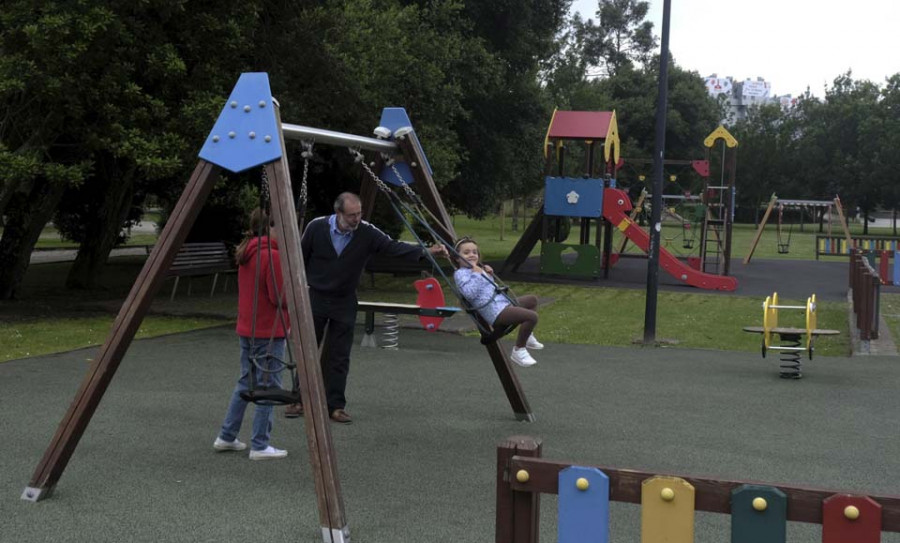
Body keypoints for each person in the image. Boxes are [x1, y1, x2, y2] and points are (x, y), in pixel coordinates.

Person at [285, 192, 448, 423]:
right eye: (351, 215)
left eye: (359, 214)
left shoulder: (367, 232)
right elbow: (299, 257)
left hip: (344, 299)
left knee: (340, 355)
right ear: (338, 213)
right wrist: (296, 289)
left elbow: (393, 247)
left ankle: (336, 406)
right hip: (317, 297)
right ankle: (298, 399)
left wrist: (425, 252)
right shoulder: (316, 227)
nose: (356, 219)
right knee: (308, 349)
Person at [214, 208, 289, 460]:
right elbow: (279, 297)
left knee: (246, 381)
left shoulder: (248, 251)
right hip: (268, 331)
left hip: (248, 327)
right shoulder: (272, 256)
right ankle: (260, 444)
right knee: (269, 385)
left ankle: (227, 435)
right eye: (283, 227)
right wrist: (299, 293)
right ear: (270, 228)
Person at [452, 237, 543, 367]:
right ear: (457, 257)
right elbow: (470, 294)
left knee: (532, 300)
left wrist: (488, 274)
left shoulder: (478, 269)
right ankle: (519, 350)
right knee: (532, 317)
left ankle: (527, 336)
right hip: (494, 312)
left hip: (502, 304)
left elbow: (489, 289)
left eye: (474, 252)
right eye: (466, 253)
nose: (472, 255)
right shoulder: (460, 274)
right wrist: (479, 274)